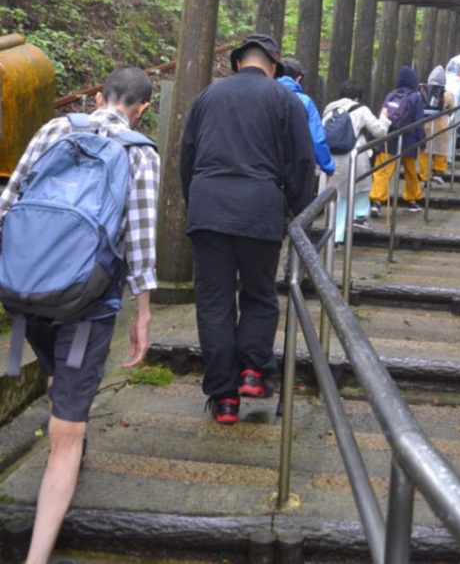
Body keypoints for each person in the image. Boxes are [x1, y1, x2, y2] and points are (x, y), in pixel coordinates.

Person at [0, 66, 159, 564]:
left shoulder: (55, 128)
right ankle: (37, 557)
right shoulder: (139, 151)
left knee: (56, 372)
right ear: (143, 108)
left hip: (27, 291)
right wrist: (144, 314)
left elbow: (9, 202)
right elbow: (141, 240)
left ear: (96, 97)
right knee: (67, 433)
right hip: (89, 303)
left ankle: (63, 401)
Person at [180, 33, 315, 426]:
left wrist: (197, 204)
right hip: (259, 208)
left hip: (208, 208)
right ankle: (253, 372)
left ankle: (224, 398)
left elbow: (187, 154)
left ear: (239, 62)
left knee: (215, 301)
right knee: (259, 294)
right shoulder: (285, 99)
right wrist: (297, 208)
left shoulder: (207, 96)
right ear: (273, 67)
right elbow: (302, 160)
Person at [320, 80, 390, 245]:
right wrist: (385, 117)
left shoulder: (329, 108)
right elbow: (379, 131)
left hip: (331, 157)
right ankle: (358, 217)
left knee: (337, 196)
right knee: (360, 186)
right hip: (354, 155)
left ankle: (335, 236)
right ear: (358, 97)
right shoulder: (361, 109)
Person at [369, 65, 425, 216]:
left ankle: (377, 201)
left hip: (389, 139)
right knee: (411, 171)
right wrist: (422, 142)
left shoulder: (391, 95)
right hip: (409, 140)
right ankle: (413, 200)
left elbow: (383, 114)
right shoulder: (415, 97)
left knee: (382, 171)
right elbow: (419, 121)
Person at [279, 57, 335, 178]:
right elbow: (316, 138)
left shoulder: (263, 95)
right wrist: (328, 166)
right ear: (299, 79)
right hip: (295, 170)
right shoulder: (304, 101)